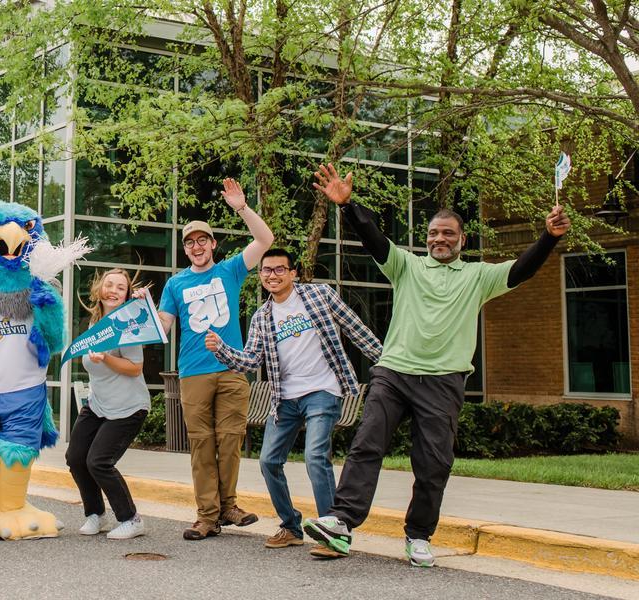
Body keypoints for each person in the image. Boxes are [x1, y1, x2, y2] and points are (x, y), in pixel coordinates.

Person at [302, 163, 571, 567]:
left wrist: (548, 238)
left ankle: (419, 535)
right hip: (394, 372)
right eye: (433, 233)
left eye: (447, 233)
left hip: (444, 380)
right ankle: (341, 522)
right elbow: (374, 239)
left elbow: (522, 270)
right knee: (366, 445)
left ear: (462, 239)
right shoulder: (406, 266)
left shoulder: (478, 276)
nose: (439, 239)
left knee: (433, 463)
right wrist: (348, 206)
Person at [205, 248, 382, 549]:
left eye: (279, 269)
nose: (272, 275)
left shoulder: (319, 296)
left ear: (293, 273)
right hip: (284, 399)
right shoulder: (262, 316)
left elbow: (355, 328)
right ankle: (291, 527)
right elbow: (250, 361)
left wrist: (386, 361)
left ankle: (333, 532)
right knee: (269, 461)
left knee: (315, 457)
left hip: (322, 391)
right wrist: (221, 348)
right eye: (266, 271)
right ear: (260, 276)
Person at [148, 177, 275, 541]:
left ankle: (228, 506)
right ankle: (207, 516)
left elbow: (265, 241)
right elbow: (164, 328)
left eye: (202, 240)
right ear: (185, 250)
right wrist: (145, 310)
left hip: (233, 368)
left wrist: (241, 208)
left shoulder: (230, 270)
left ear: (213, 244)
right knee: (202, 445)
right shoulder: (175, 284)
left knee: (230, 439)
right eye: (189, 242)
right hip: (194, 373)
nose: (196, 246)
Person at [66, 269, 151, 540]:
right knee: (76, 458)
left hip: (128, 407)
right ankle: (95, 515)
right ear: (100, 290)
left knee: (99, 461)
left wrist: (107, 358)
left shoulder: (127, 324)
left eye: (120, 288)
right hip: (98, 404)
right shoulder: (95, 324)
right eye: (109, 285)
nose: (113, 290)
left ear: (127, 295)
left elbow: (136, 368)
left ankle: (131, 519)